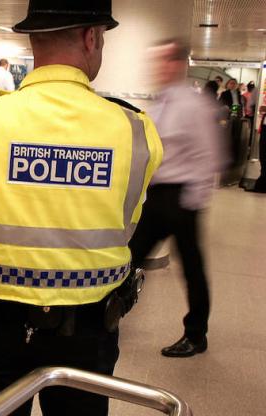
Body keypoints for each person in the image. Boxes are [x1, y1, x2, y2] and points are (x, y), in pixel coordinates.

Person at [0, 1, 163, 413]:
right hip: (89, 330)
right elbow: (131, 219)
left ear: (33, 39)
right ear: (92, 37)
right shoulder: (136, 129)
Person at [129, 39, 225, 358]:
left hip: (182, 197)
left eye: (162, 61)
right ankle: (104, 315)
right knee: (130, 256)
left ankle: (196, 335)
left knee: (191, 268)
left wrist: (191, 202)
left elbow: (210, 155)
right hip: (158, 195)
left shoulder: (195, 106)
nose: (156, 68)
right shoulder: (159, 104)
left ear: (177, 64)